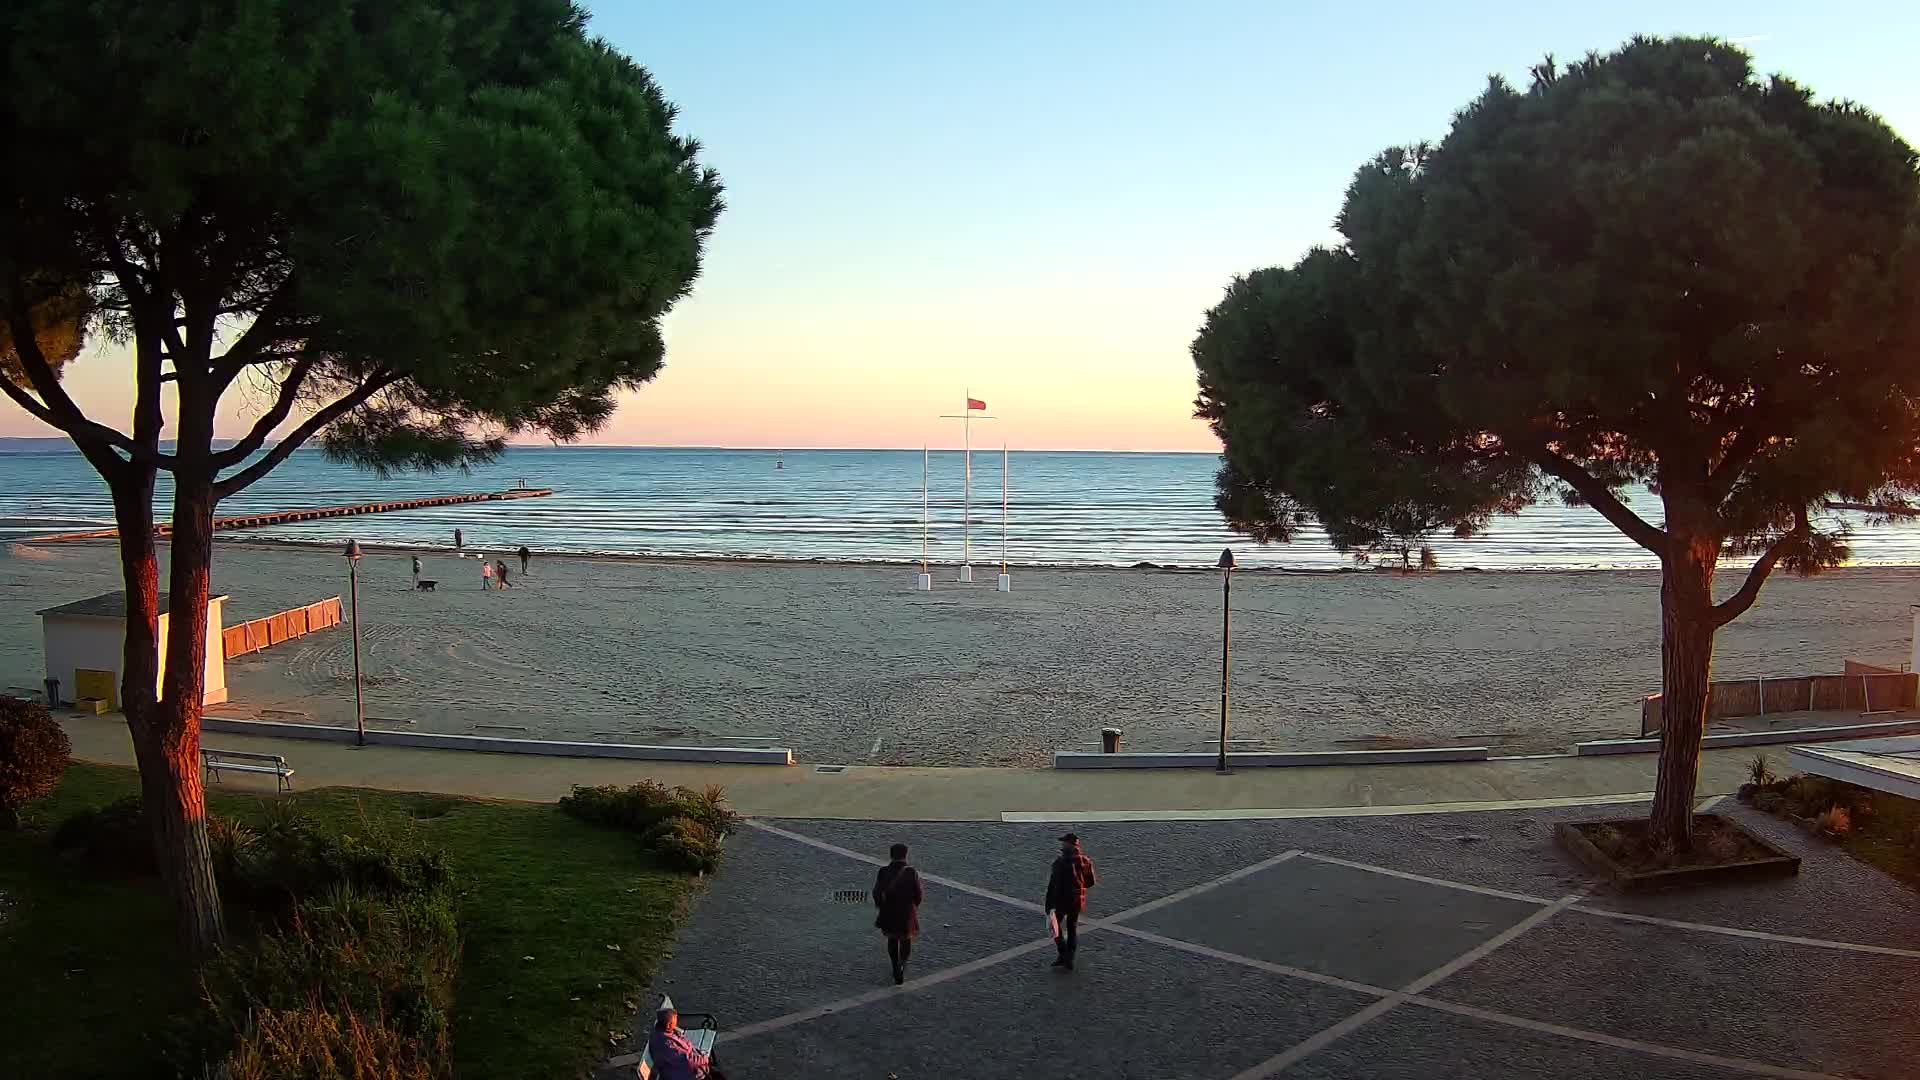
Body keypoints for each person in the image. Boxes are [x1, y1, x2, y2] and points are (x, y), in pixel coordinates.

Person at [1044, 832, 1097, 971]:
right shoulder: (1086, 861)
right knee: (1072, 928)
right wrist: (1079, 888)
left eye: (1063, 842)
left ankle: (1063, 952)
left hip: (1061, 900)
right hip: (1078, 900)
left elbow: (1054, 884)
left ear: (1068, 844)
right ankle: (1070, 957)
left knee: (1054, 926)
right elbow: (1090, 882)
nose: (1061, 844)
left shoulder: (1059, 862)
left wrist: (1049, 904)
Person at [872, 842, 924, 985]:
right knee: (906, 940)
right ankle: (902, 964)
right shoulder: (911, 872)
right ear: (905, 855)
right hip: (906, 912)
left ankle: (895, 964)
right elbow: (918, 894)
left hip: (889, 911)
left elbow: (876, 892)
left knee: (892, 939)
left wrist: (881, 906)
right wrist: (913, 907)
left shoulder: (883, 871)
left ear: (891, 855)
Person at [647, 1002, 723, 1080]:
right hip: (683, 1074)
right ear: (669, 1025)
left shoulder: (663, 1031)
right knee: (716, 1076)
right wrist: (704, 1058)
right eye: (675, 1021)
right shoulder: (667, 1044)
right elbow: (688, 1061)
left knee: (716, 1073)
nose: (676, 1024)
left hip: (684, 1066)